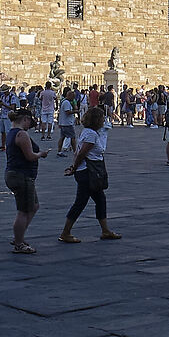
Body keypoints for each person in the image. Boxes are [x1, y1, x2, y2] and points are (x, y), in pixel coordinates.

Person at [60, 102, 118, 242]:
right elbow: (82, 154)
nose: (104, 120)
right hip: (88, 172)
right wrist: (74, 168)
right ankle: (65, 233)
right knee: (81, 202)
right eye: (102, 118)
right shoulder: (91, 135)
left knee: (100, 200)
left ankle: (105, 230)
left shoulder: (87, 132)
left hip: (86, 171)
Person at [1, 105, 40, 254]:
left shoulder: (12, 132)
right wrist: (41, 154)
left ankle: (19, 235)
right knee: (23, 210)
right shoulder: (21, 134)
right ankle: (18, 243)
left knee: (34, 206)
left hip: (17, 174)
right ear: (25, 119)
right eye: (30, 121)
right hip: (21, 175)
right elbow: (30, 156)